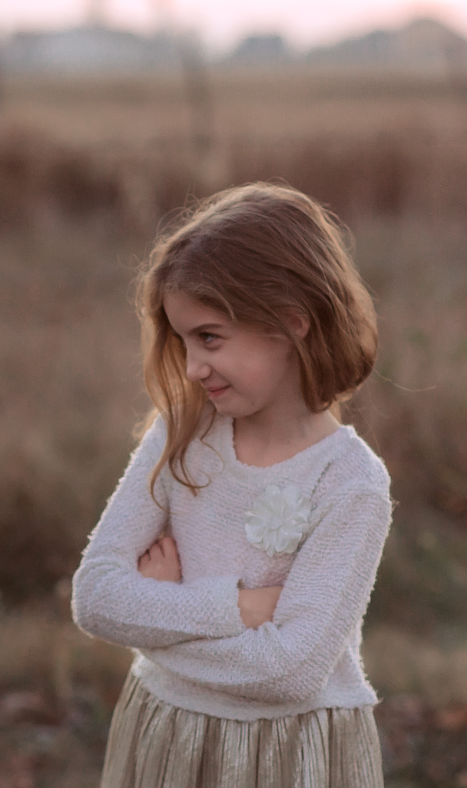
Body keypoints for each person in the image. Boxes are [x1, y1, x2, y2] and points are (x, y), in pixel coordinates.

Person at [71, 183, 391, 787]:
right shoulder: (182, 436)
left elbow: (289, 671)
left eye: (210, 337)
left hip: (291, 753)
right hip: (163, 732)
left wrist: (159, 611)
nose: (192, 367)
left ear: (291, 324)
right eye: (183, 340)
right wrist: (238, 607)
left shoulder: (349, 482)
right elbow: (96, 597)